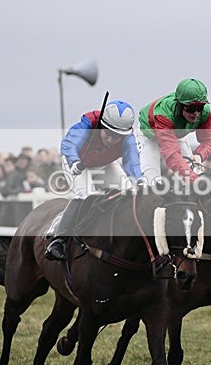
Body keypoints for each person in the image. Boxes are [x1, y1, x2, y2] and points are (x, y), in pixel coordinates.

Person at [45, 99, 142, 261]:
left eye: (117, 137)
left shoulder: (128, 138)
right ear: (102, 125)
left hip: (104, 163)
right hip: (77, 162)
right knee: (85, 195)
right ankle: (58, 239)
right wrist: (73, 160)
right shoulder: (89, 123)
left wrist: (139, 180)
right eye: (109, 134)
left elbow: (132, 161)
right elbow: (70, 142)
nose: (111, 140)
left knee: (126, 191)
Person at [136, 78, 211, 182]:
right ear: (179, 105)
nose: (196, 113)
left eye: (200, 107)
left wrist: (199, 155)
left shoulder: (205, 112)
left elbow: (209, 140)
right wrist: (192, 180)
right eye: (191, 108)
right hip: (148, 136)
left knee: (195, 171)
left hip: (173, 135)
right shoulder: (164, 114)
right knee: (153, 181)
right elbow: (171, 154)